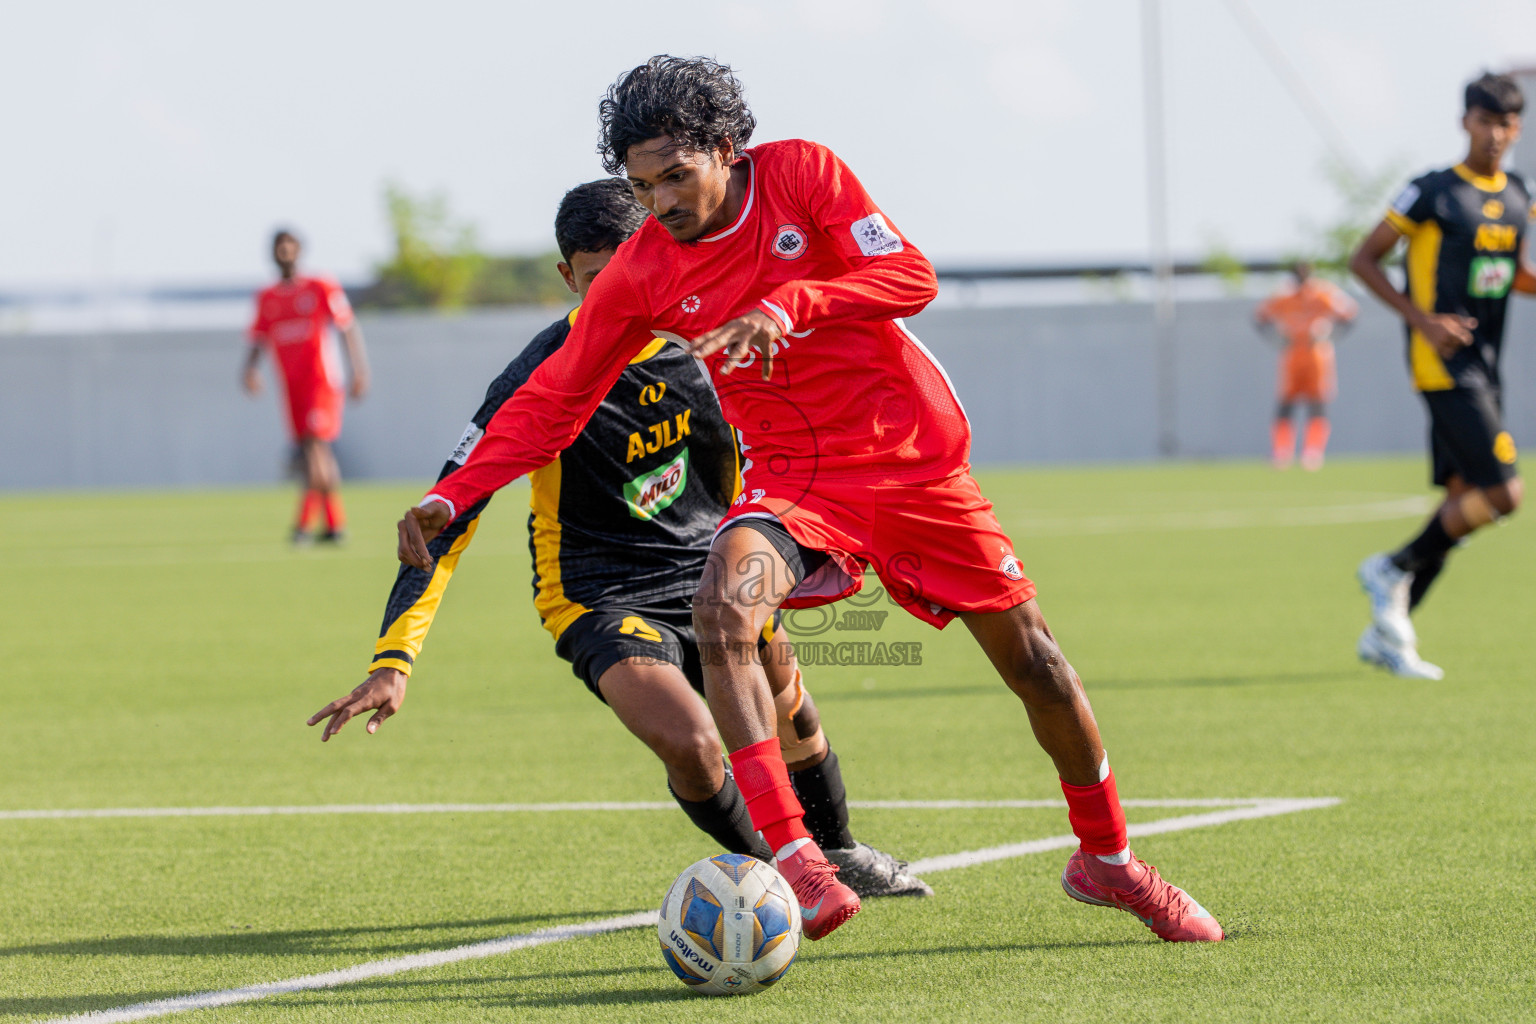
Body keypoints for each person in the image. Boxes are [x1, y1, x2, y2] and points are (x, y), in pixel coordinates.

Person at [396, 57, 1222, 943]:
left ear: (726, 148)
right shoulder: (641, 268)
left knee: (1038, 669)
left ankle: (1109, 862)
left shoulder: (801, 173)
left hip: (914, 465)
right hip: (796, 480)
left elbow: (910, 274)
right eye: (643, 186)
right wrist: (455, 492)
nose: (663, 200)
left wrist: (792, 305)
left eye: (678, 174)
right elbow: (555, 396)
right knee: (725, 605)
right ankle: (797, 860)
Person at [306, 179, 930, 901]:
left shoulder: (711, 345)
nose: (621, 298)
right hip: (598, 592)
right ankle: (790, 876)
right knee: (693, 743)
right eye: (597, 281)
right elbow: (451, 512)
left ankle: (841, 851)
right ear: (569, 279)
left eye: (631, 270)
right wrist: (394, 659)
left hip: (714, 568)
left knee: (792, 706)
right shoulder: (538, 375)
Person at [1351, 72, 1536, 679]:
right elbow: (1364, 258)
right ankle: (1393, 567)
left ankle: (1390, 632)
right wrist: (1421, 319)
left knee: (1462, 503)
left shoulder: (1517, 193)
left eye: (1508, 124)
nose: (1497, 135)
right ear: (1465, 121)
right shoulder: (1431, 191)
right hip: (1442, 363)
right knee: (1505, 493)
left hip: (1486, 364)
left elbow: (1507, 273)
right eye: (1486, 121)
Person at [244, 230, 370, 543]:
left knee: (316, 449)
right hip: (291, 386)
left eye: (289, 246)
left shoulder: (319, 286)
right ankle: (333, 525)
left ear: (299, 250)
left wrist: (359, 370)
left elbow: (347, 325)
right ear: (272, 253)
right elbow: (258, 338)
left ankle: (303, 525)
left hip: (321, 381)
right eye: (278, 247)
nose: (284, 252)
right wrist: (249, 369)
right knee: (312, 453)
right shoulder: (268, 297)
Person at [1254, 260, 1358, 470]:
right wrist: (1276, 339)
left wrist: (1330, 334)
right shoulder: (1284, 296)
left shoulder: (1323, 293)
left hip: (1317, 354)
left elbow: (1350, 313)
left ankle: (1313, 452)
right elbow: (1260, 316)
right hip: (1292, 354)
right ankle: (1282, 451)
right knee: (1285, 403)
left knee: (1317, 402)